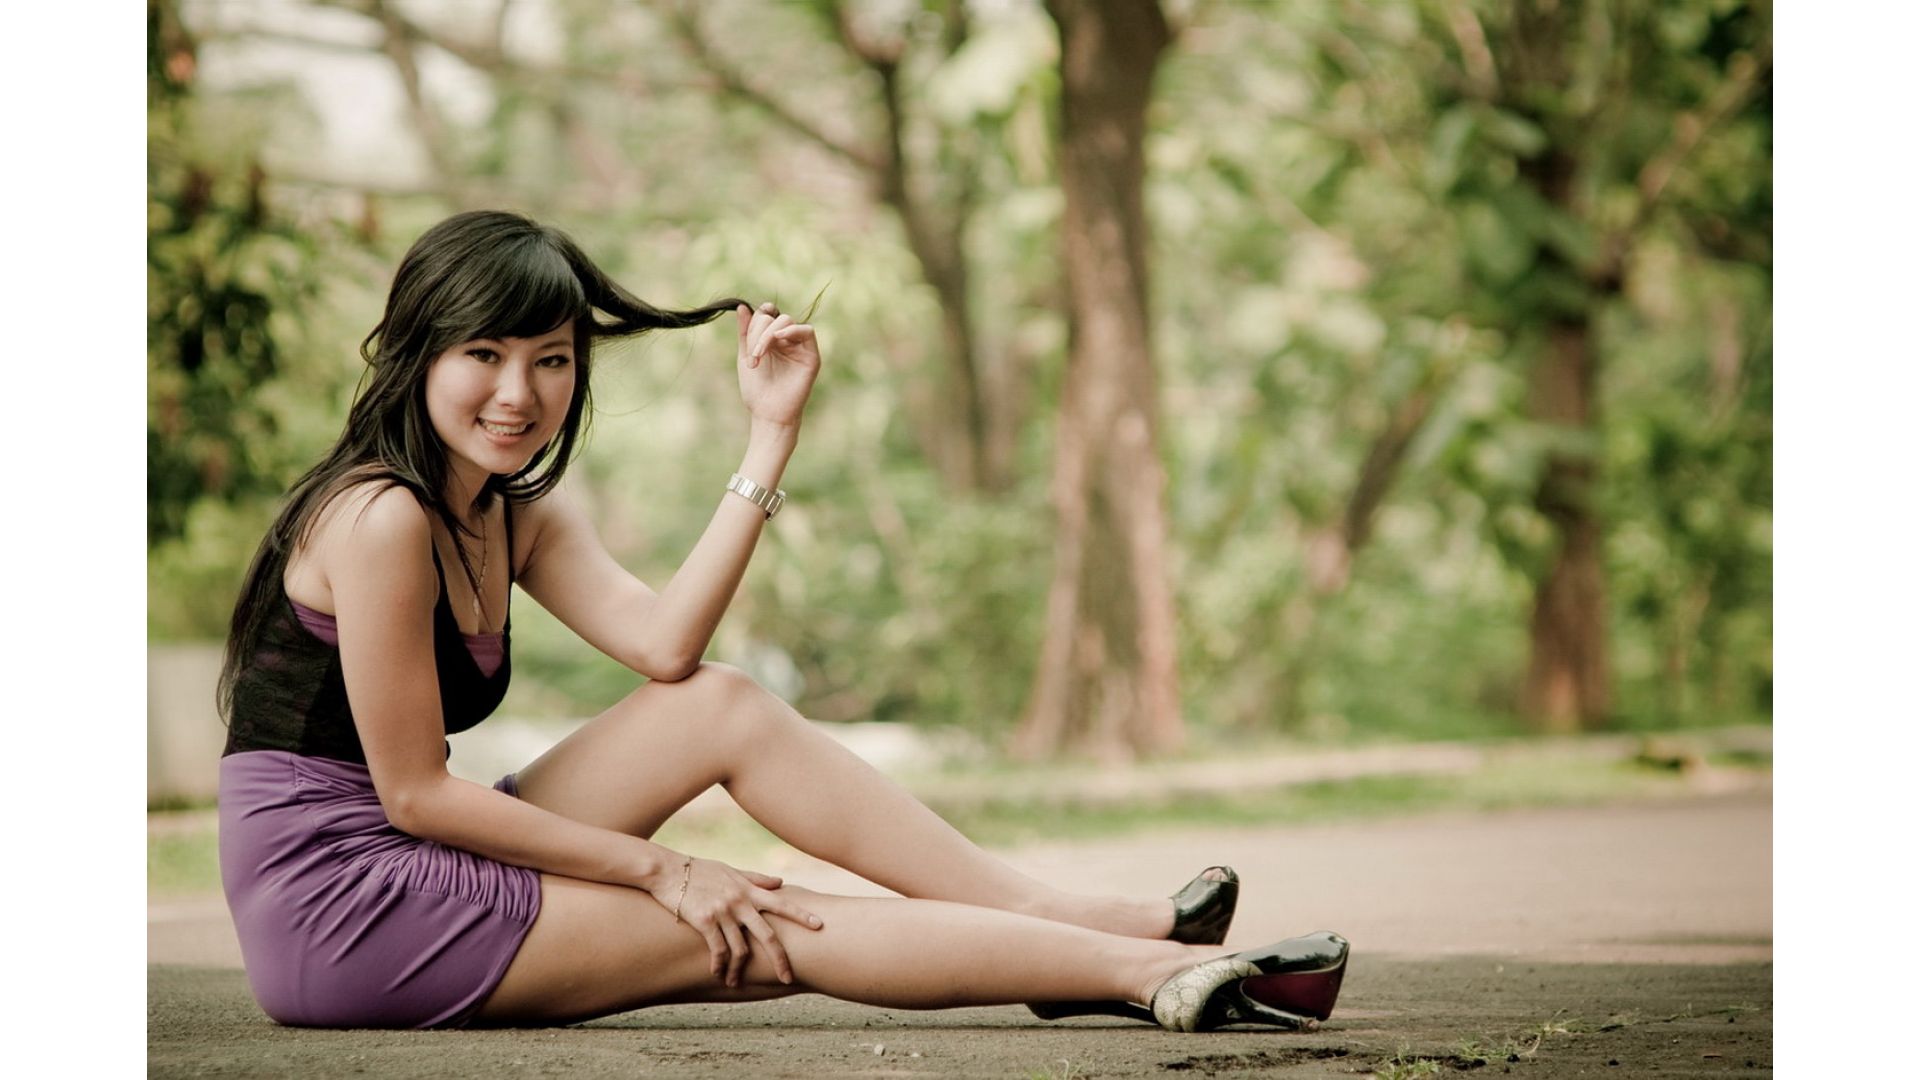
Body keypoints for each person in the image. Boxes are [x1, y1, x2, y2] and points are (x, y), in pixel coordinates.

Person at [215, 209, 1348, 1032]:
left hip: (415, 846)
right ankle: (1137, 974)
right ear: (417, 353)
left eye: (551, 361)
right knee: (761, 920)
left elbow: (667, 649)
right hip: (342, 905)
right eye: (484, 355)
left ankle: (1058, 924)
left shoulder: (511, 514)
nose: (519, 394)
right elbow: (415, 795)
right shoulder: (379, 519)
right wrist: (662, 870)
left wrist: (770, 434)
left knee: (721, 706)